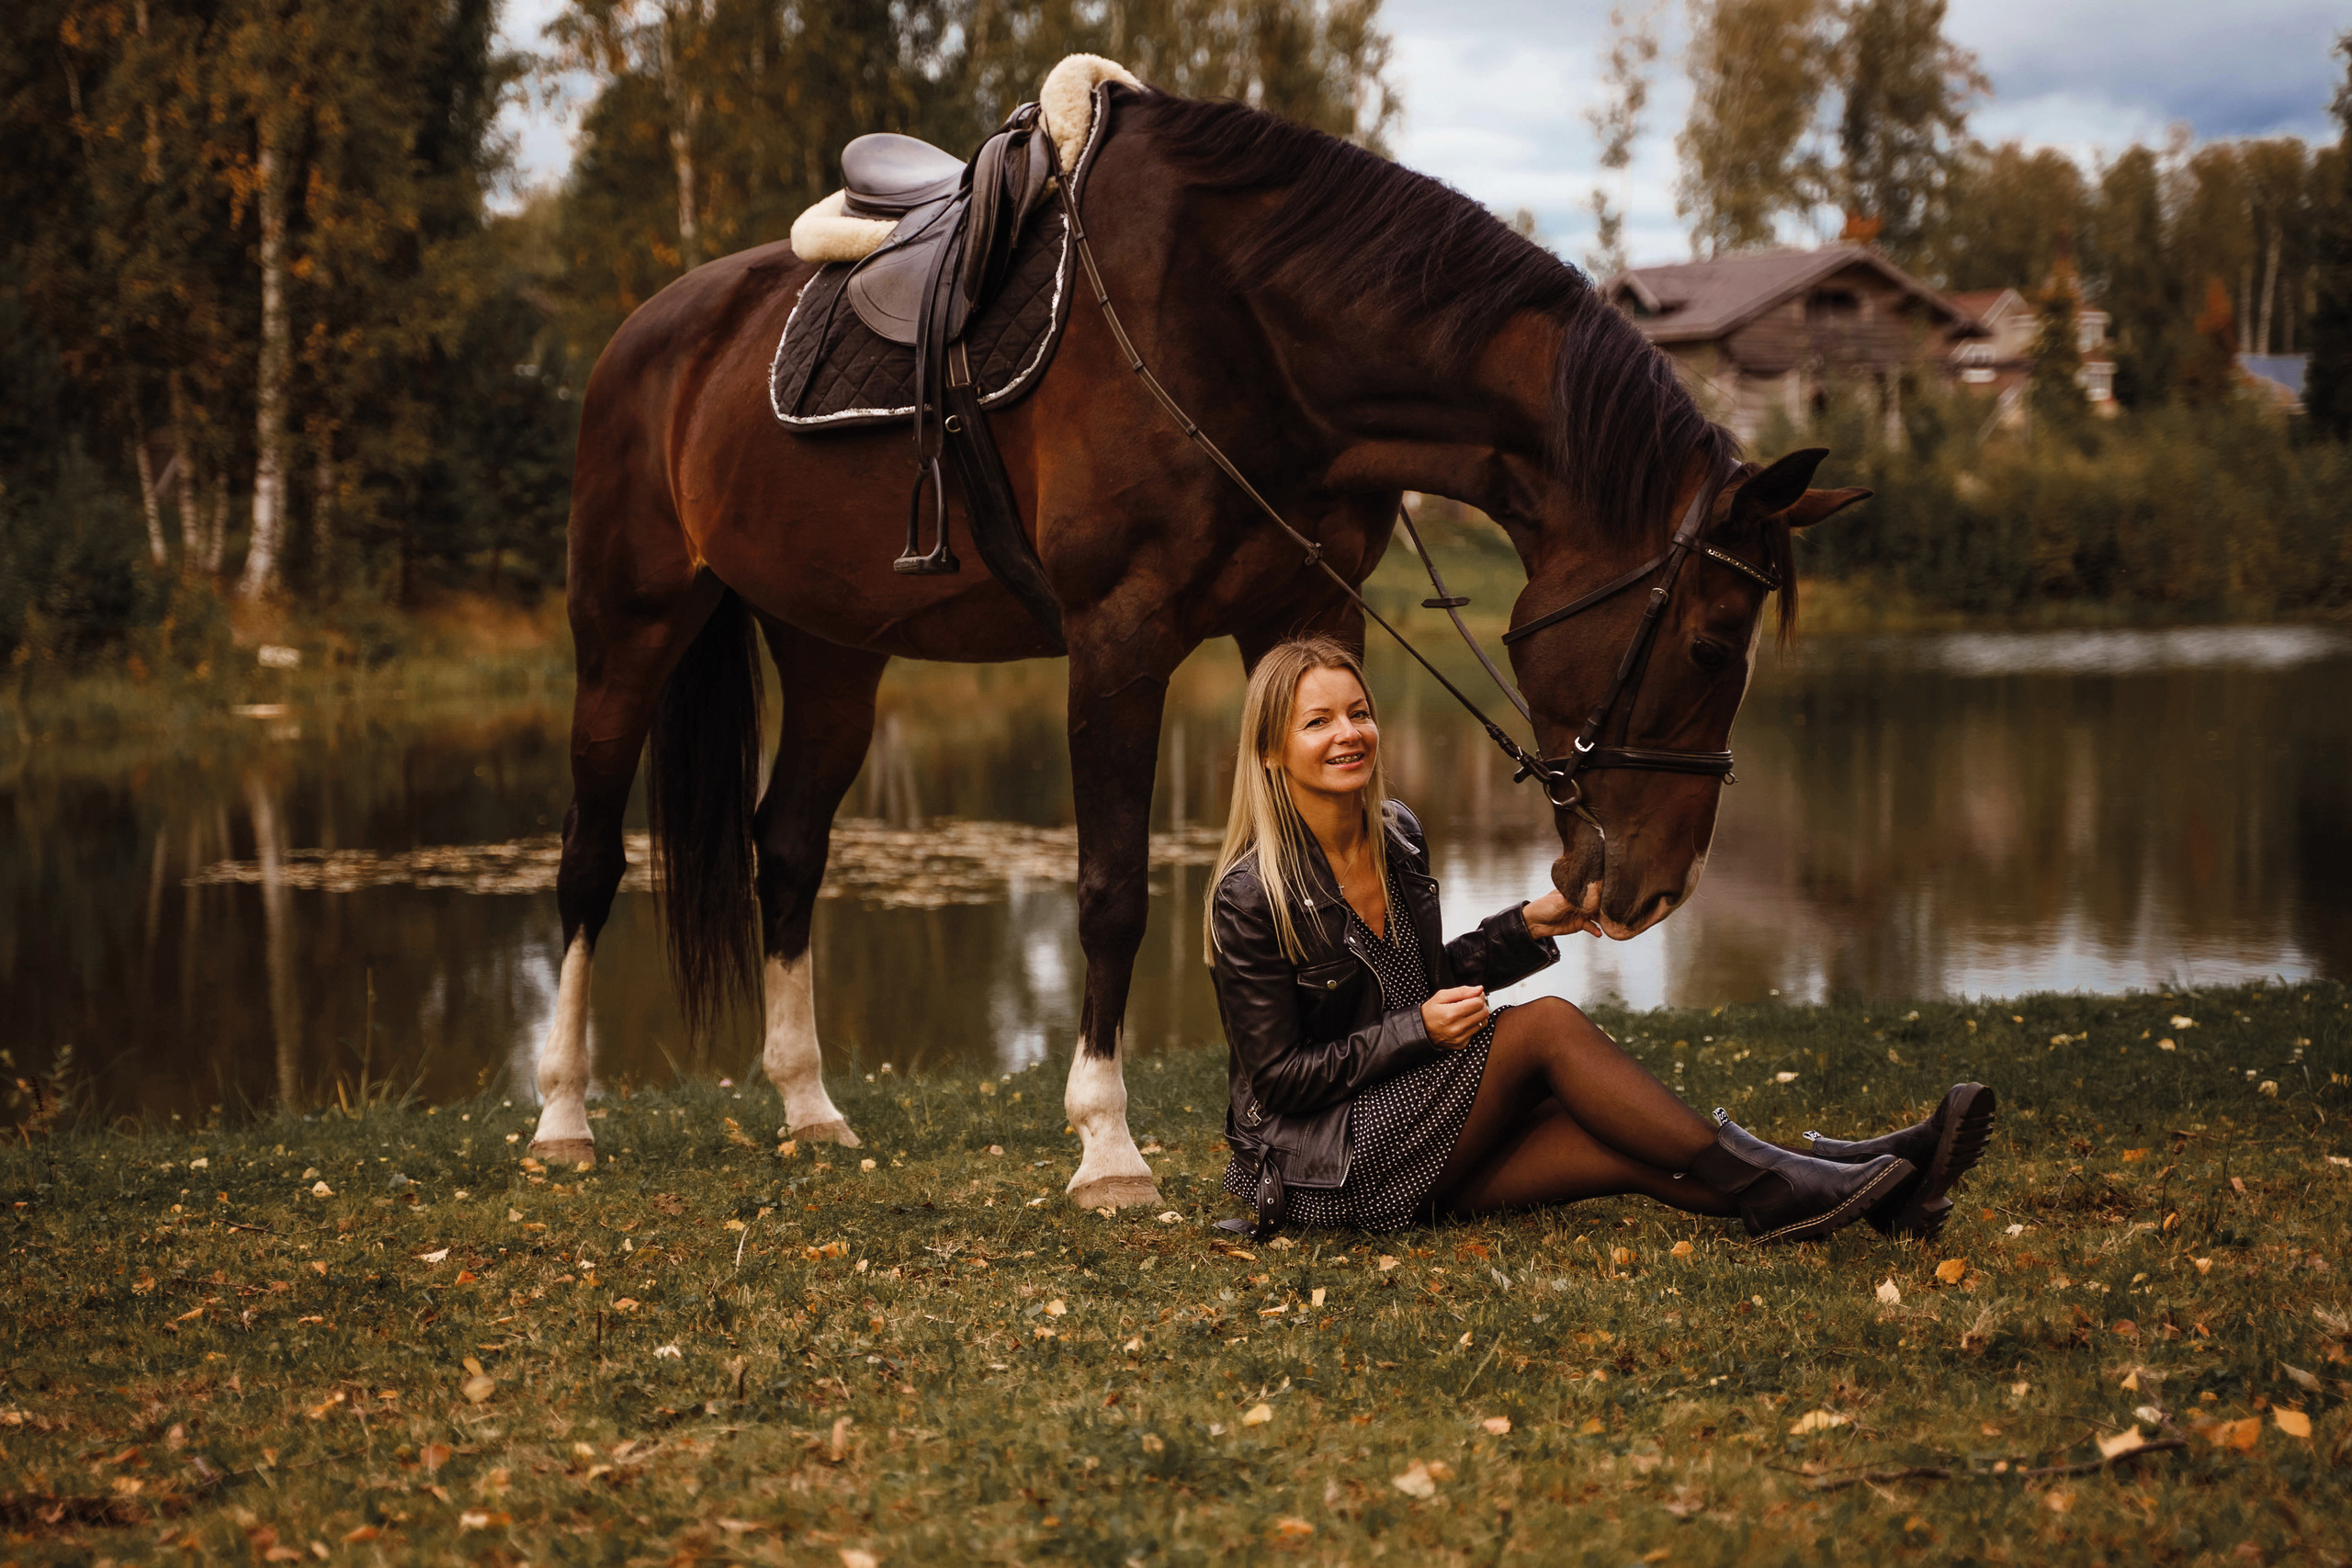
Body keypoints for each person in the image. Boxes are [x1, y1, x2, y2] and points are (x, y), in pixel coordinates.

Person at [1205, 636, 1995, 1242]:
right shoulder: (1251, 894)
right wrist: (1417, 1030)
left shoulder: (1396, 834)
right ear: (1274, 750)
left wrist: (1525, 927)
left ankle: (1872, 1185)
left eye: (1359, 711)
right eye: (1319, 721)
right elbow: (1278, 1081)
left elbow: (1416, 978)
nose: (1349, 733)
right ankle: (1821, 1177)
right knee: (1545, 1027)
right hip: (1321, 1163)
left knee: (1618, 1142)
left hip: (1408, 1122)